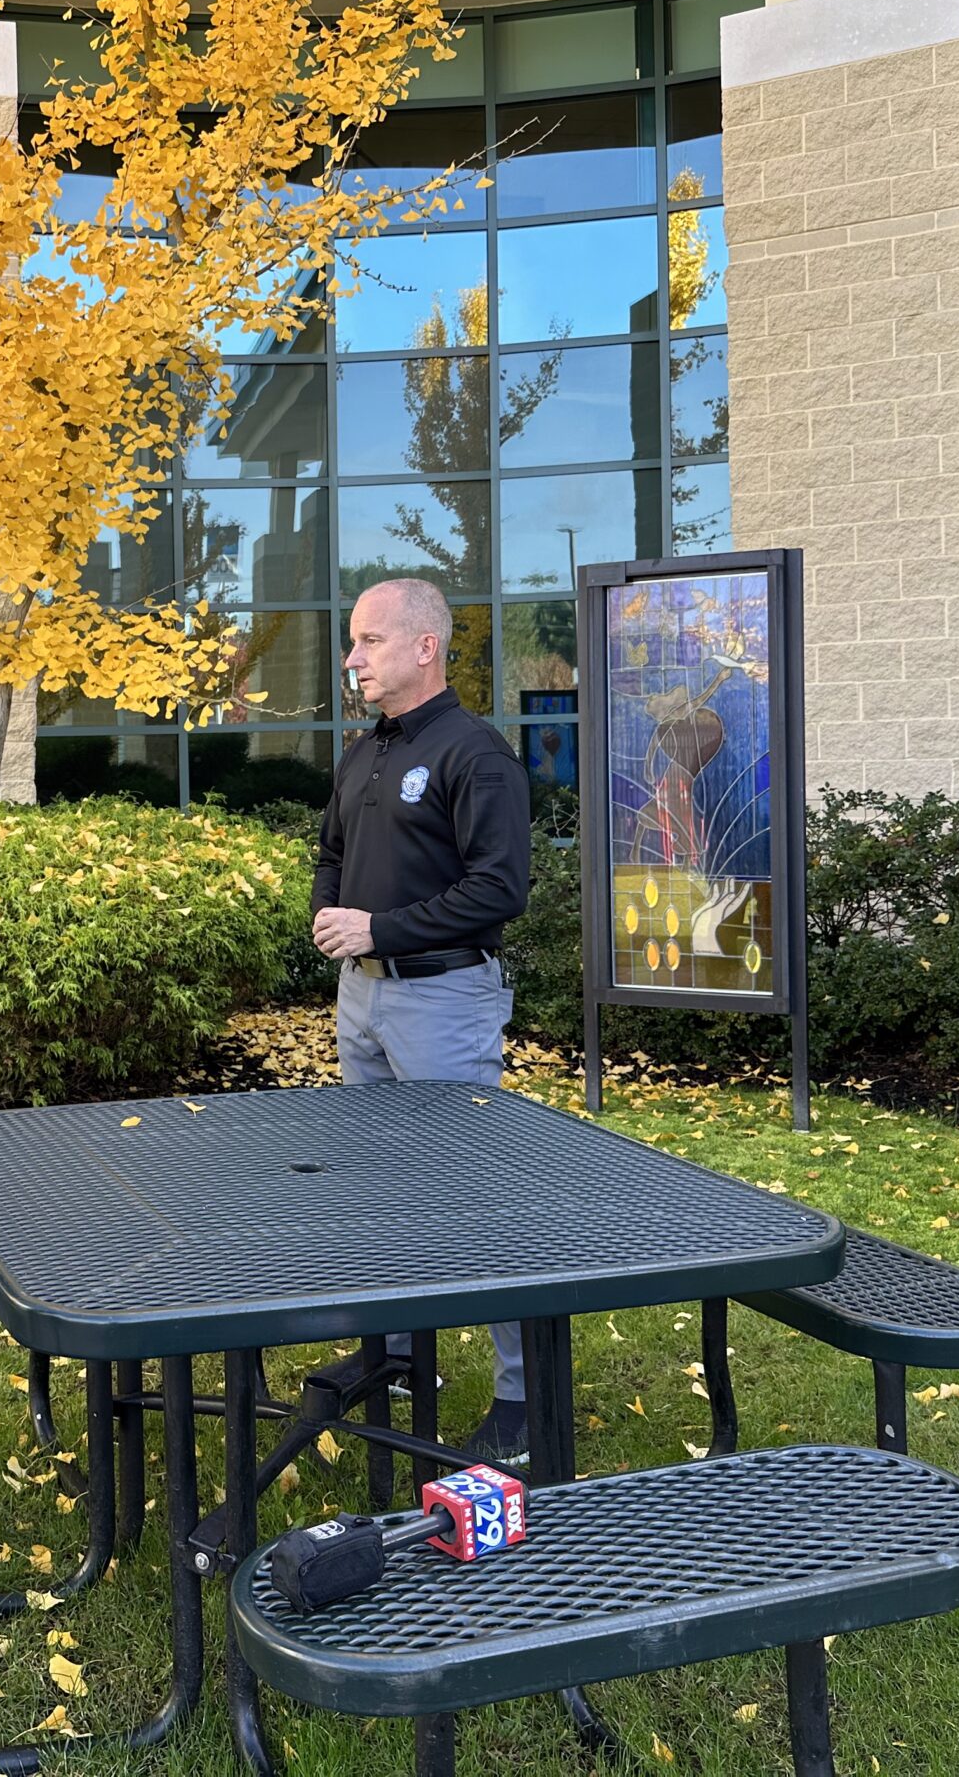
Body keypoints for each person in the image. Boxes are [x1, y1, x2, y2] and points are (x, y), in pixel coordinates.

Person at [313, 577, 533, 1461]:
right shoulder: (365, 752)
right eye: (353, 643)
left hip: (443, 999)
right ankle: (401, 1354)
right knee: (380, 1188)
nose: (353, 660)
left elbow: (499, 889)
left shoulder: (475, 754)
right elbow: (331, 854)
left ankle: (524, 1393)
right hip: (362, 998)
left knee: (477, 1193)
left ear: (425, 647)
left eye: (369, 641)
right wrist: (332, 917)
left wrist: (381, 928)